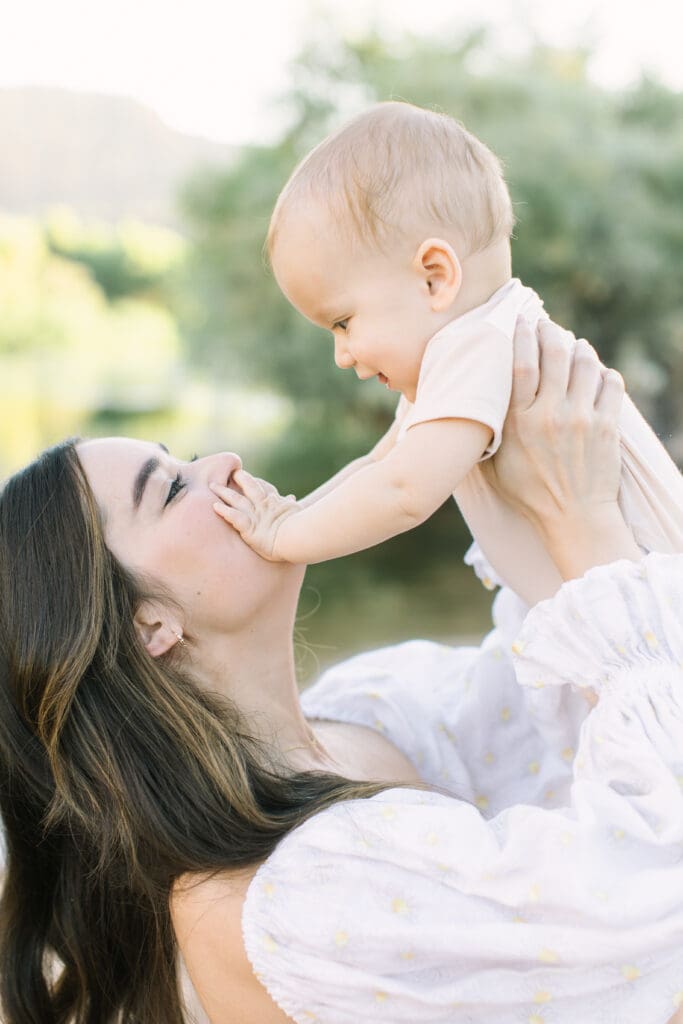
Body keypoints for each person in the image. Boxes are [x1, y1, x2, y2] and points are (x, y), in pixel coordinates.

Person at [2, 321, 683, 1024]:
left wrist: (481, 450)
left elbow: (569, 706)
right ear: (148, 625)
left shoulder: (370, 709)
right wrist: (582, 520)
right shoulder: (289, 894)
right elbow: (654, 900)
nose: (226, 462)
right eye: (173, 490)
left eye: (191, 458)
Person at [213, 101, 683, 609]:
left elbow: (402, 492)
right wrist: (291, 515)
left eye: (343, 323)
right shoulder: (461, 351)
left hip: (657, 612)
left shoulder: (479, 344)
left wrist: (286, 541)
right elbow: (378, 464)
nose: (342, 356)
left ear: (435, 276)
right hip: (613, 609)